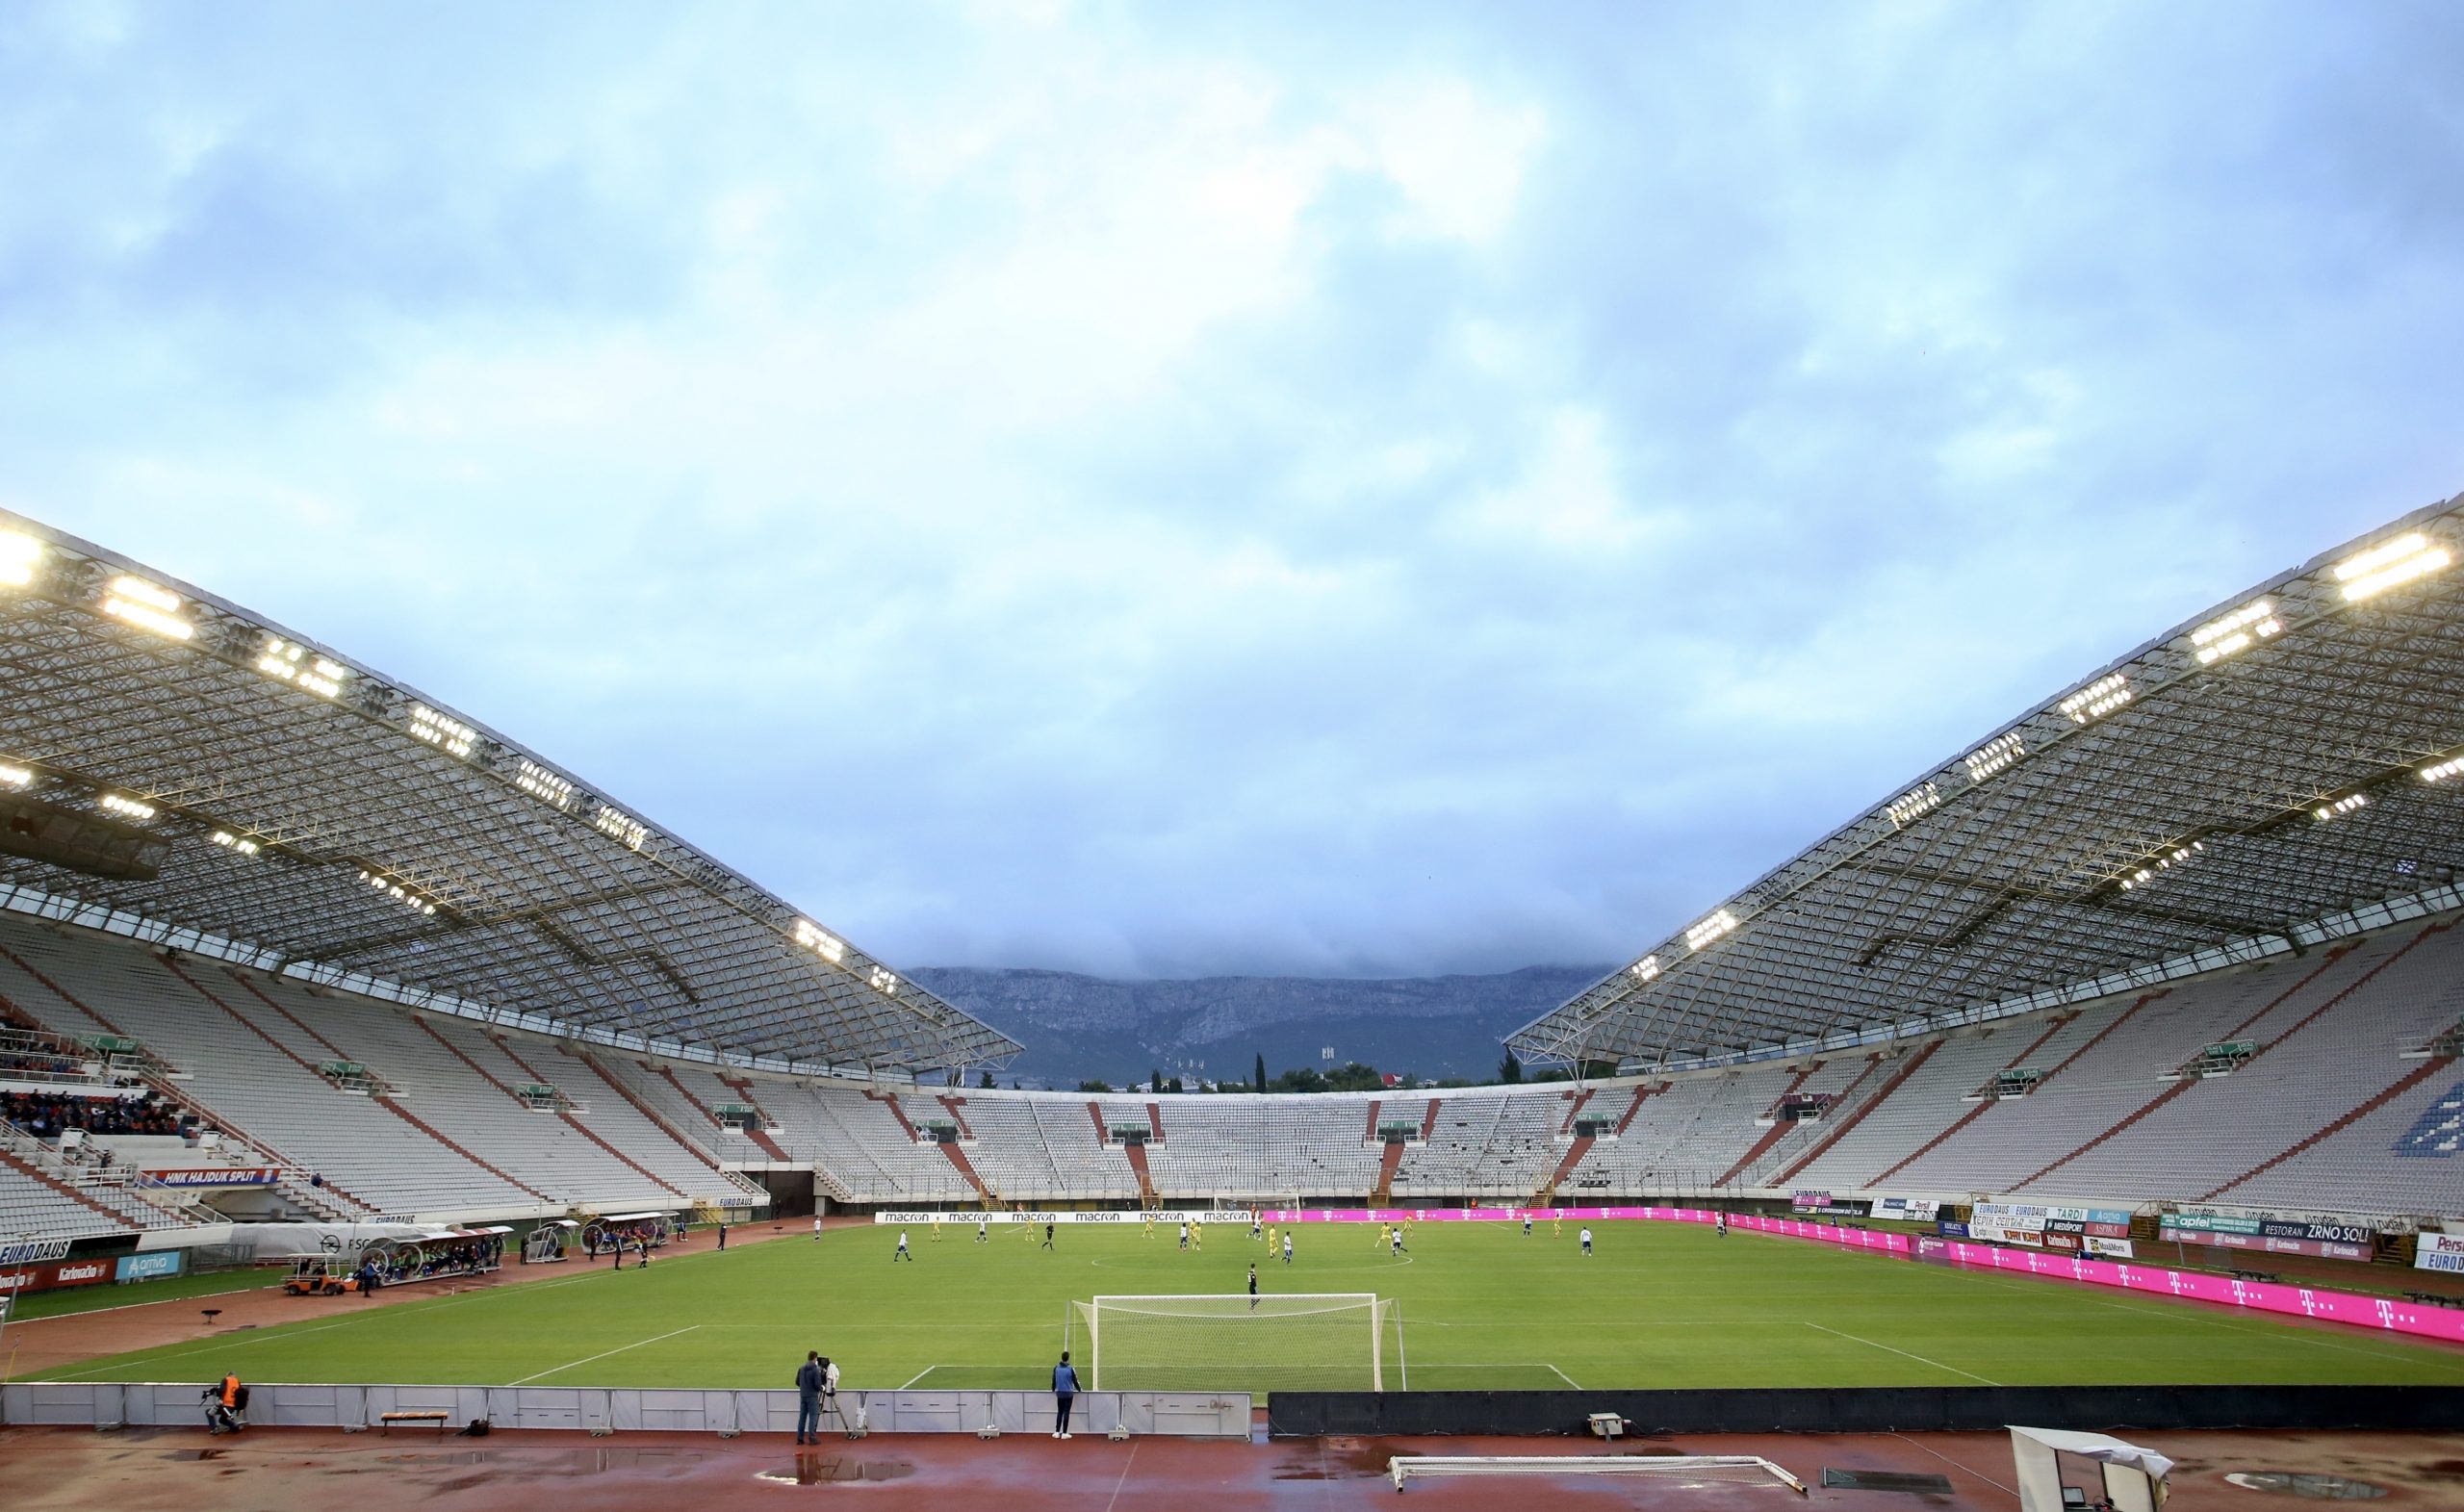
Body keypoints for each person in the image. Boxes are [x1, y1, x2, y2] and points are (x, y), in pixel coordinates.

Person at [795, 1351, 825, 1444]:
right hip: (812, 1396)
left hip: (803, 1395)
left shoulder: (801, 1369)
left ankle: (800, 1439)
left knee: (802, 1417)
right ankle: (812, 1437)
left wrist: (804, 1387)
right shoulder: (816, 1370)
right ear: (815, 1358)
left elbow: (797, 1382)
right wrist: (822, 1388)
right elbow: (817, 1384)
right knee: (813, 1417)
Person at [1051, 1350, 1081, 1439]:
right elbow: (1075, 1381)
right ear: (1068, 1359)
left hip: (1059, 1393)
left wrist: (1053, 1389)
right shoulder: (1070, 1368)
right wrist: (1079, 1389)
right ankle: (1064, 1433)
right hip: (1068, 1393)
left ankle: (1057, 1432)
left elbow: (1054, 1380)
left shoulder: (1056, 1368)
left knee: (1060, 1412)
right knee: (1066, 1412)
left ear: (1061, 1358)